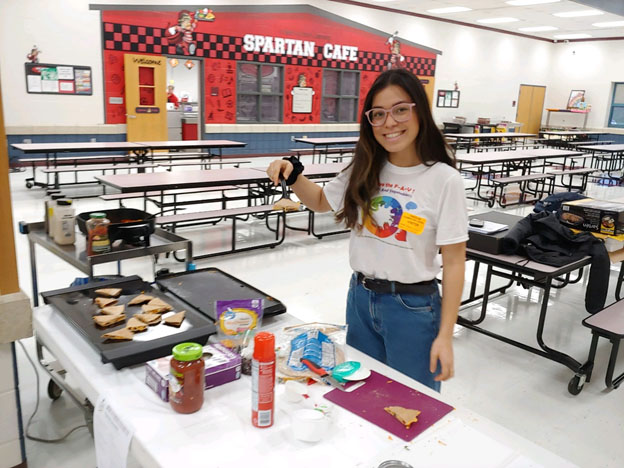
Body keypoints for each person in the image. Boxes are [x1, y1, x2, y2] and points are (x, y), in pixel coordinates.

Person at [266, 68, 468, 391]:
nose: (390, 123)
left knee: (412, 399)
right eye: (378, 114)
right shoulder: (365, 165)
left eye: (401, 110)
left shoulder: (444, 180)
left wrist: (445, 335)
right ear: (369, 121)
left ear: (420, 111)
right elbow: (319, 200)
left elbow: (455, 261)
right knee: (361, 391)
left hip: (412, 308)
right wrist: (292, 176)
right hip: (360, 298)